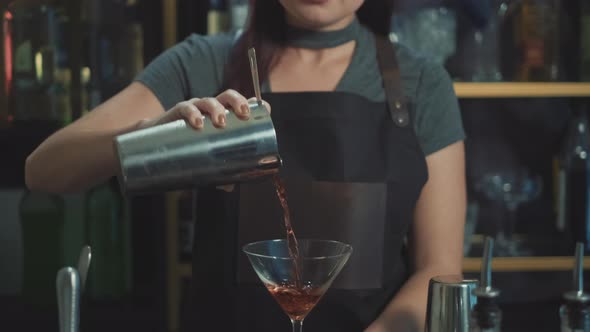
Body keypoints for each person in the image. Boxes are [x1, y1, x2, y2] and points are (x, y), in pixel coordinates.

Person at [25, 0, 466, 331]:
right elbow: (42, 169)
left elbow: (440, 267)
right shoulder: (203, 62)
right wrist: (149, 134)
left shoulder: (422, 84)